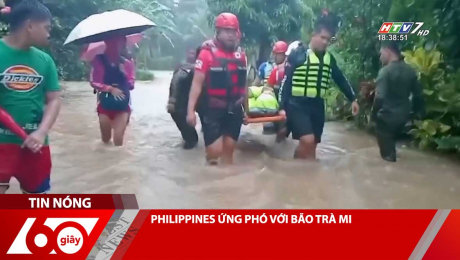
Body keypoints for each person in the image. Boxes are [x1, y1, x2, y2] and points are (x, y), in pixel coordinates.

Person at [0, 0, 61, 194]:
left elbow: (54, 99)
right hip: (1, 145)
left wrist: (42, 132)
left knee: (36, 206)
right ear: (30, 25)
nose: (49, 33)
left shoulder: (45, 60)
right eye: (46, 28)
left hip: (36, 145)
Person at [279, 19, 360, 160]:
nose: (325, 42)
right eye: (322, 38)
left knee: (313, 145)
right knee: (307, 140)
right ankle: (295, 167)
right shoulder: (298, 54)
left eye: (328, 39)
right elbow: (286, 82)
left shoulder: (330, 59)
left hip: (317, 106)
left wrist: (353, 99)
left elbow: (340, 79)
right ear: (313, 35)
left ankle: (305, 175)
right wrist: (281, 106)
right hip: (297, 104)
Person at [187, 12, 247, 165]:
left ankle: (226, 184)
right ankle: (211, 166)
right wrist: (190, 111)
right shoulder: (206, 54)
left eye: (233, 31)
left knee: (229, 149)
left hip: (235, 108)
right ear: (218, 32)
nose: (230, 35)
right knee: (215, 151)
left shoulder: (241, 56)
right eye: (226, 31)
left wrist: (247, 110)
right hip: (212, 108)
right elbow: (196, 84)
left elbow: (244, 85)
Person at [372, 42, 425, 162]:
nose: (380, 57)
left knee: (387, 157)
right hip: (404, 118)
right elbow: (418, 95)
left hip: (386, 119)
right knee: (396, 146)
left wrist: (373, 115)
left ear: (388, 51)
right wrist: (418, 114)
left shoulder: (385, 72)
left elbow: (379, 97)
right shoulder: (410, 70)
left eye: (381, 53)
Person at [90, 36, 135, 146]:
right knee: (105, 140)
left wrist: (125, 74)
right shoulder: (99, 60)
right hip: (105, 105)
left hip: (122, 106)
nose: (116, 46)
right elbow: (94, 81)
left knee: (118, 140)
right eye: (113, 43)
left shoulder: (127, 62)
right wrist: (109, 88)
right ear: (107, 43)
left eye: (120, 43)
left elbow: (132, 84)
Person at [167, 47, 202, 149]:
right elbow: (174, 84)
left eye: (193, 53)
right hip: (181, 101)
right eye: (189, 53)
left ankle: (191, 142)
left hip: (193, 100)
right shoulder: (183, 68)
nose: (191, 55)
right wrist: (172, 101)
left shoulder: (198, 68)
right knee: (182, 121)